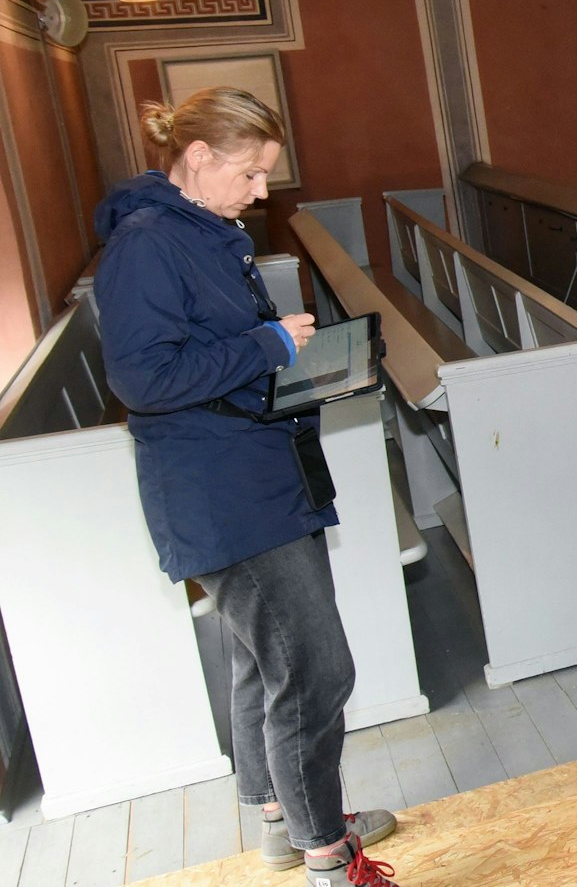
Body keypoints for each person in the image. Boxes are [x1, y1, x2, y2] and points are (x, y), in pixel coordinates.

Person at [95, 88, 403, 887]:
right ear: (197, 158)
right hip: (222, 491)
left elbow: (211, 347)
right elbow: (143, 376)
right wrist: (268, 344)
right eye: (252, 172)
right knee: (316, 671)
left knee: (260, 663)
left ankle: (286, 822)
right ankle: (329, 859)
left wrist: (286, 356)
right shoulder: (147, 243)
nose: (263, 190)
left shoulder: (205, 229)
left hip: (255, 472)